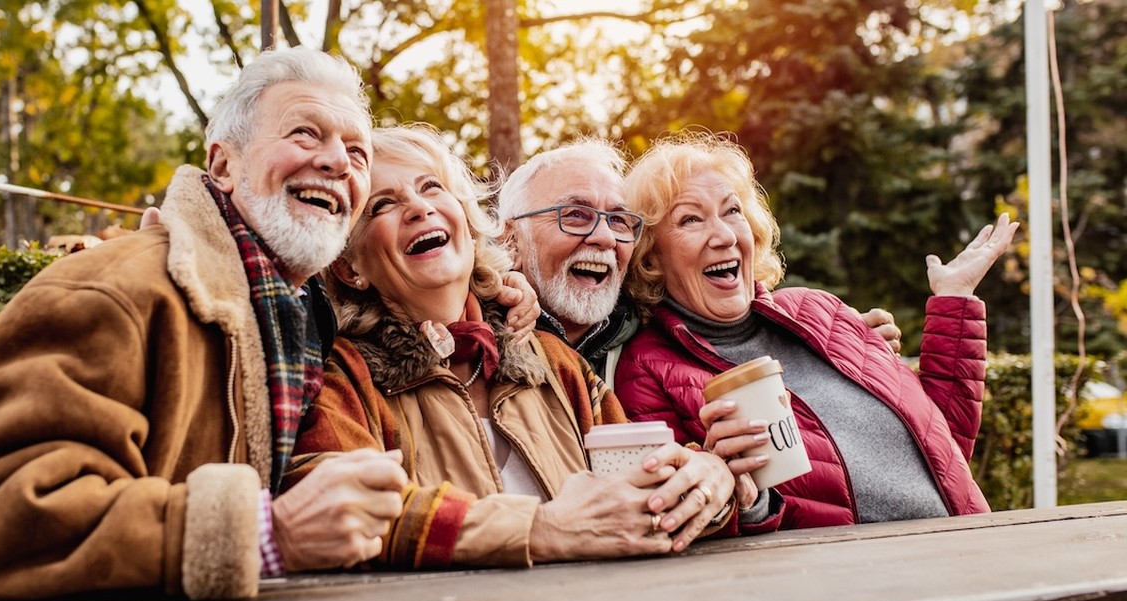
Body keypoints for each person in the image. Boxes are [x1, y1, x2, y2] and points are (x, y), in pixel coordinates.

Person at [0, 48, 433, 601]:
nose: (338, 161)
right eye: (306, 134)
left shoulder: (300, 320)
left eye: (357, 152)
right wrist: (268, 533)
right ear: (222, 166)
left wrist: (530, 526)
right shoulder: (110, 292)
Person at [286, 125, 743, 567]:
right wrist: (540, 528)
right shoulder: (342, 377)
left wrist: (709, 479)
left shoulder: (554, 361)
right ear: (350, 269)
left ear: (466, 220)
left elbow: (643, 493)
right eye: (382, 204)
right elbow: (341, 514)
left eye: (431, 187)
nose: (419, 209)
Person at [614, 132, 1017, 531]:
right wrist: (744, 500)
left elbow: (945, 447)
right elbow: (678, 520)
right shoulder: (647, 369)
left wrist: (954, 300)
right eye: (690, 219)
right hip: (851, 584)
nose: (724, 236)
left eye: (732, 211)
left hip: (968, 550)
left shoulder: (820, 310)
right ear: (652, 255)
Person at [497, 140, 902, 387]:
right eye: (576, 215)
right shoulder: (473, 334)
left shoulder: (645, 329)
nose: (604, 237)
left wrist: (845, 348)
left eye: (619, 219)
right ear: (510, 239)